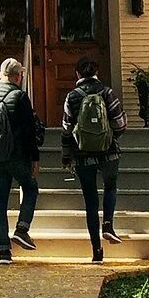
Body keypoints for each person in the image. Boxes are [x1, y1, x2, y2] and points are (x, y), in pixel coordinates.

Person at [61, 56, 128, 263]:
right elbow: (119, 123)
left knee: (90, 200)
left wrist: (67, 154)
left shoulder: (72, 96)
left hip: (83, 155)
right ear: (96, 72)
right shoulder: (107, 93)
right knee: (110, 186)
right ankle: (108, 224)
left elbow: (66, 128)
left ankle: (96, 251)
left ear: (77, 74)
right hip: (109, 153)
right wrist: (110, 137)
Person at [0, 57, 41, 264]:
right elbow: (29, 132)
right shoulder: (19, 96)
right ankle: (22, 228)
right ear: (16, 76)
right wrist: (34, 158)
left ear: (0, 74)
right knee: (30, 187)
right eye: (20, 74)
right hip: (16, 156)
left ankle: (3, 251)